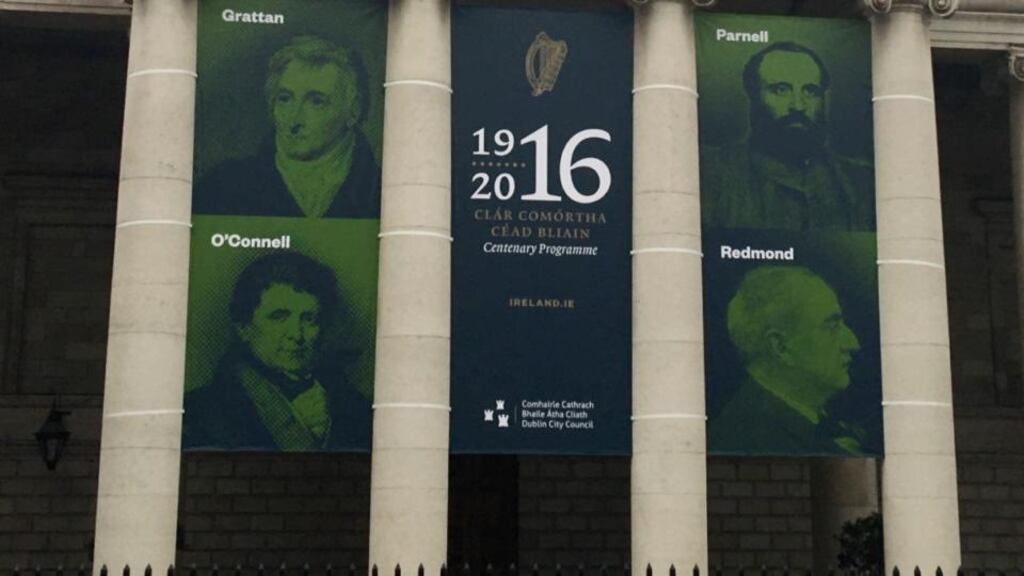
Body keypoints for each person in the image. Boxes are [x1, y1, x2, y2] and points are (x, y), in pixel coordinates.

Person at [183, 252, 369, 451]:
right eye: (279, 317)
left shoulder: (351, 405)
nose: (297, 335)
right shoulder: (199, 412)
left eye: (309, 319)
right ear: (244, 326)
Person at [193, 35, 380, 218]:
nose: (294, 120)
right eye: (285, 99)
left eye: (316, 102)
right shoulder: (223, 186)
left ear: (353, 111)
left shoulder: (381, 190)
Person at [701, 42, 874, 231]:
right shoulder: (712, 176)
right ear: (754, 96)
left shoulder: (861, 183)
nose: (798, 105)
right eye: (781, 90)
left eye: (810, 91)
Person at [709, 266, 866, 455]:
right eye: (831, 326)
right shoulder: (751, 441)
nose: (853, 343)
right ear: (780, 346)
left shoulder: (809, 422)